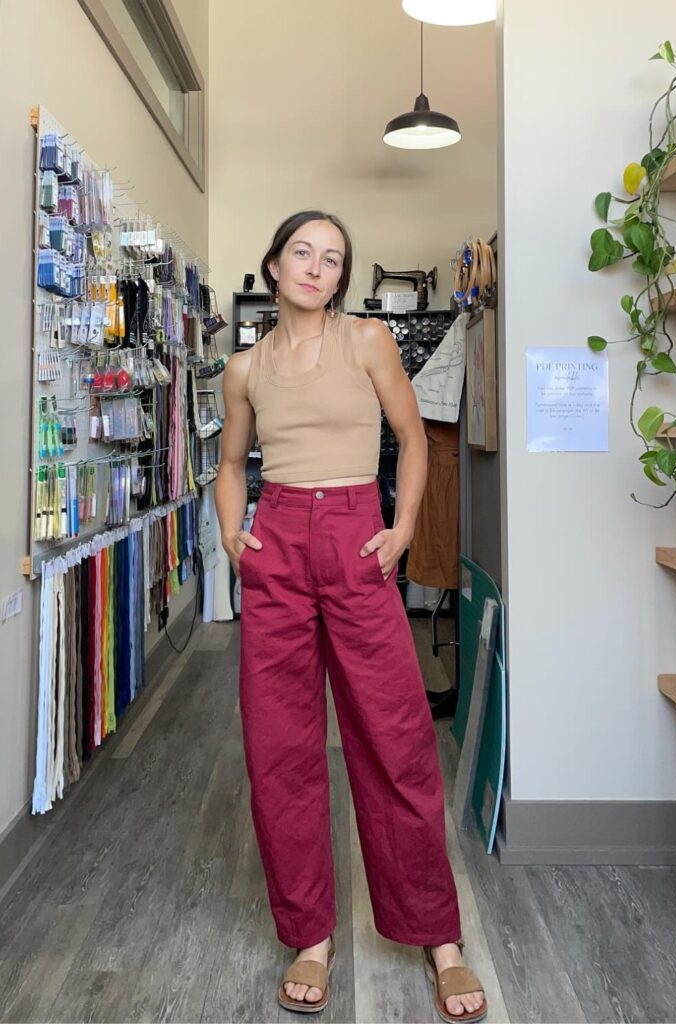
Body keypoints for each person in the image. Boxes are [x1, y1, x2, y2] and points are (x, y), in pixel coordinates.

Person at [215, 210, 487, 1023]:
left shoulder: (367, 341)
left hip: (354, 536)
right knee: (279, 750)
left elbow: (413, 437)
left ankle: (440, 939)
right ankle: (310, 937)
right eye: (302, 252)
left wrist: (401, 530)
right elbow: (230, 463)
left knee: (396, 741)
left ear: (340, 277)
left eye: (332, 258)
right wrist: (233, 538)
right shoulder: (243, 368)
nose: (316, 267)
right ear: (273, 265)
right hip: (277, 547)